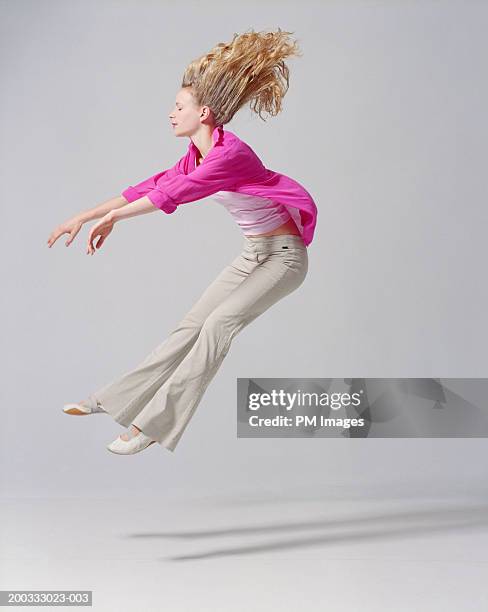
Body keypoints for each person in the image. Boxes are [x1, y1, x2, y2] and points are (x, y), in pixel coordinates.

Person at [47, 28, 318, 455]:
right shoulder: (197, 155)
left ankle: (153, 426)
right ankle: (111, 399)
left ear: (205, 112)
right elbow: (152, 185)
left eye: (179, 107)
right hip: (253, 255)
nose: (171, 113)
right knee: (189, 327)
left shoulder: (230, 156)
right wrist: (85, 215)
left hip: (284, 260)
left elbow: (173, 196)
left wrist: (116, 218)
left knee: (218, 326)